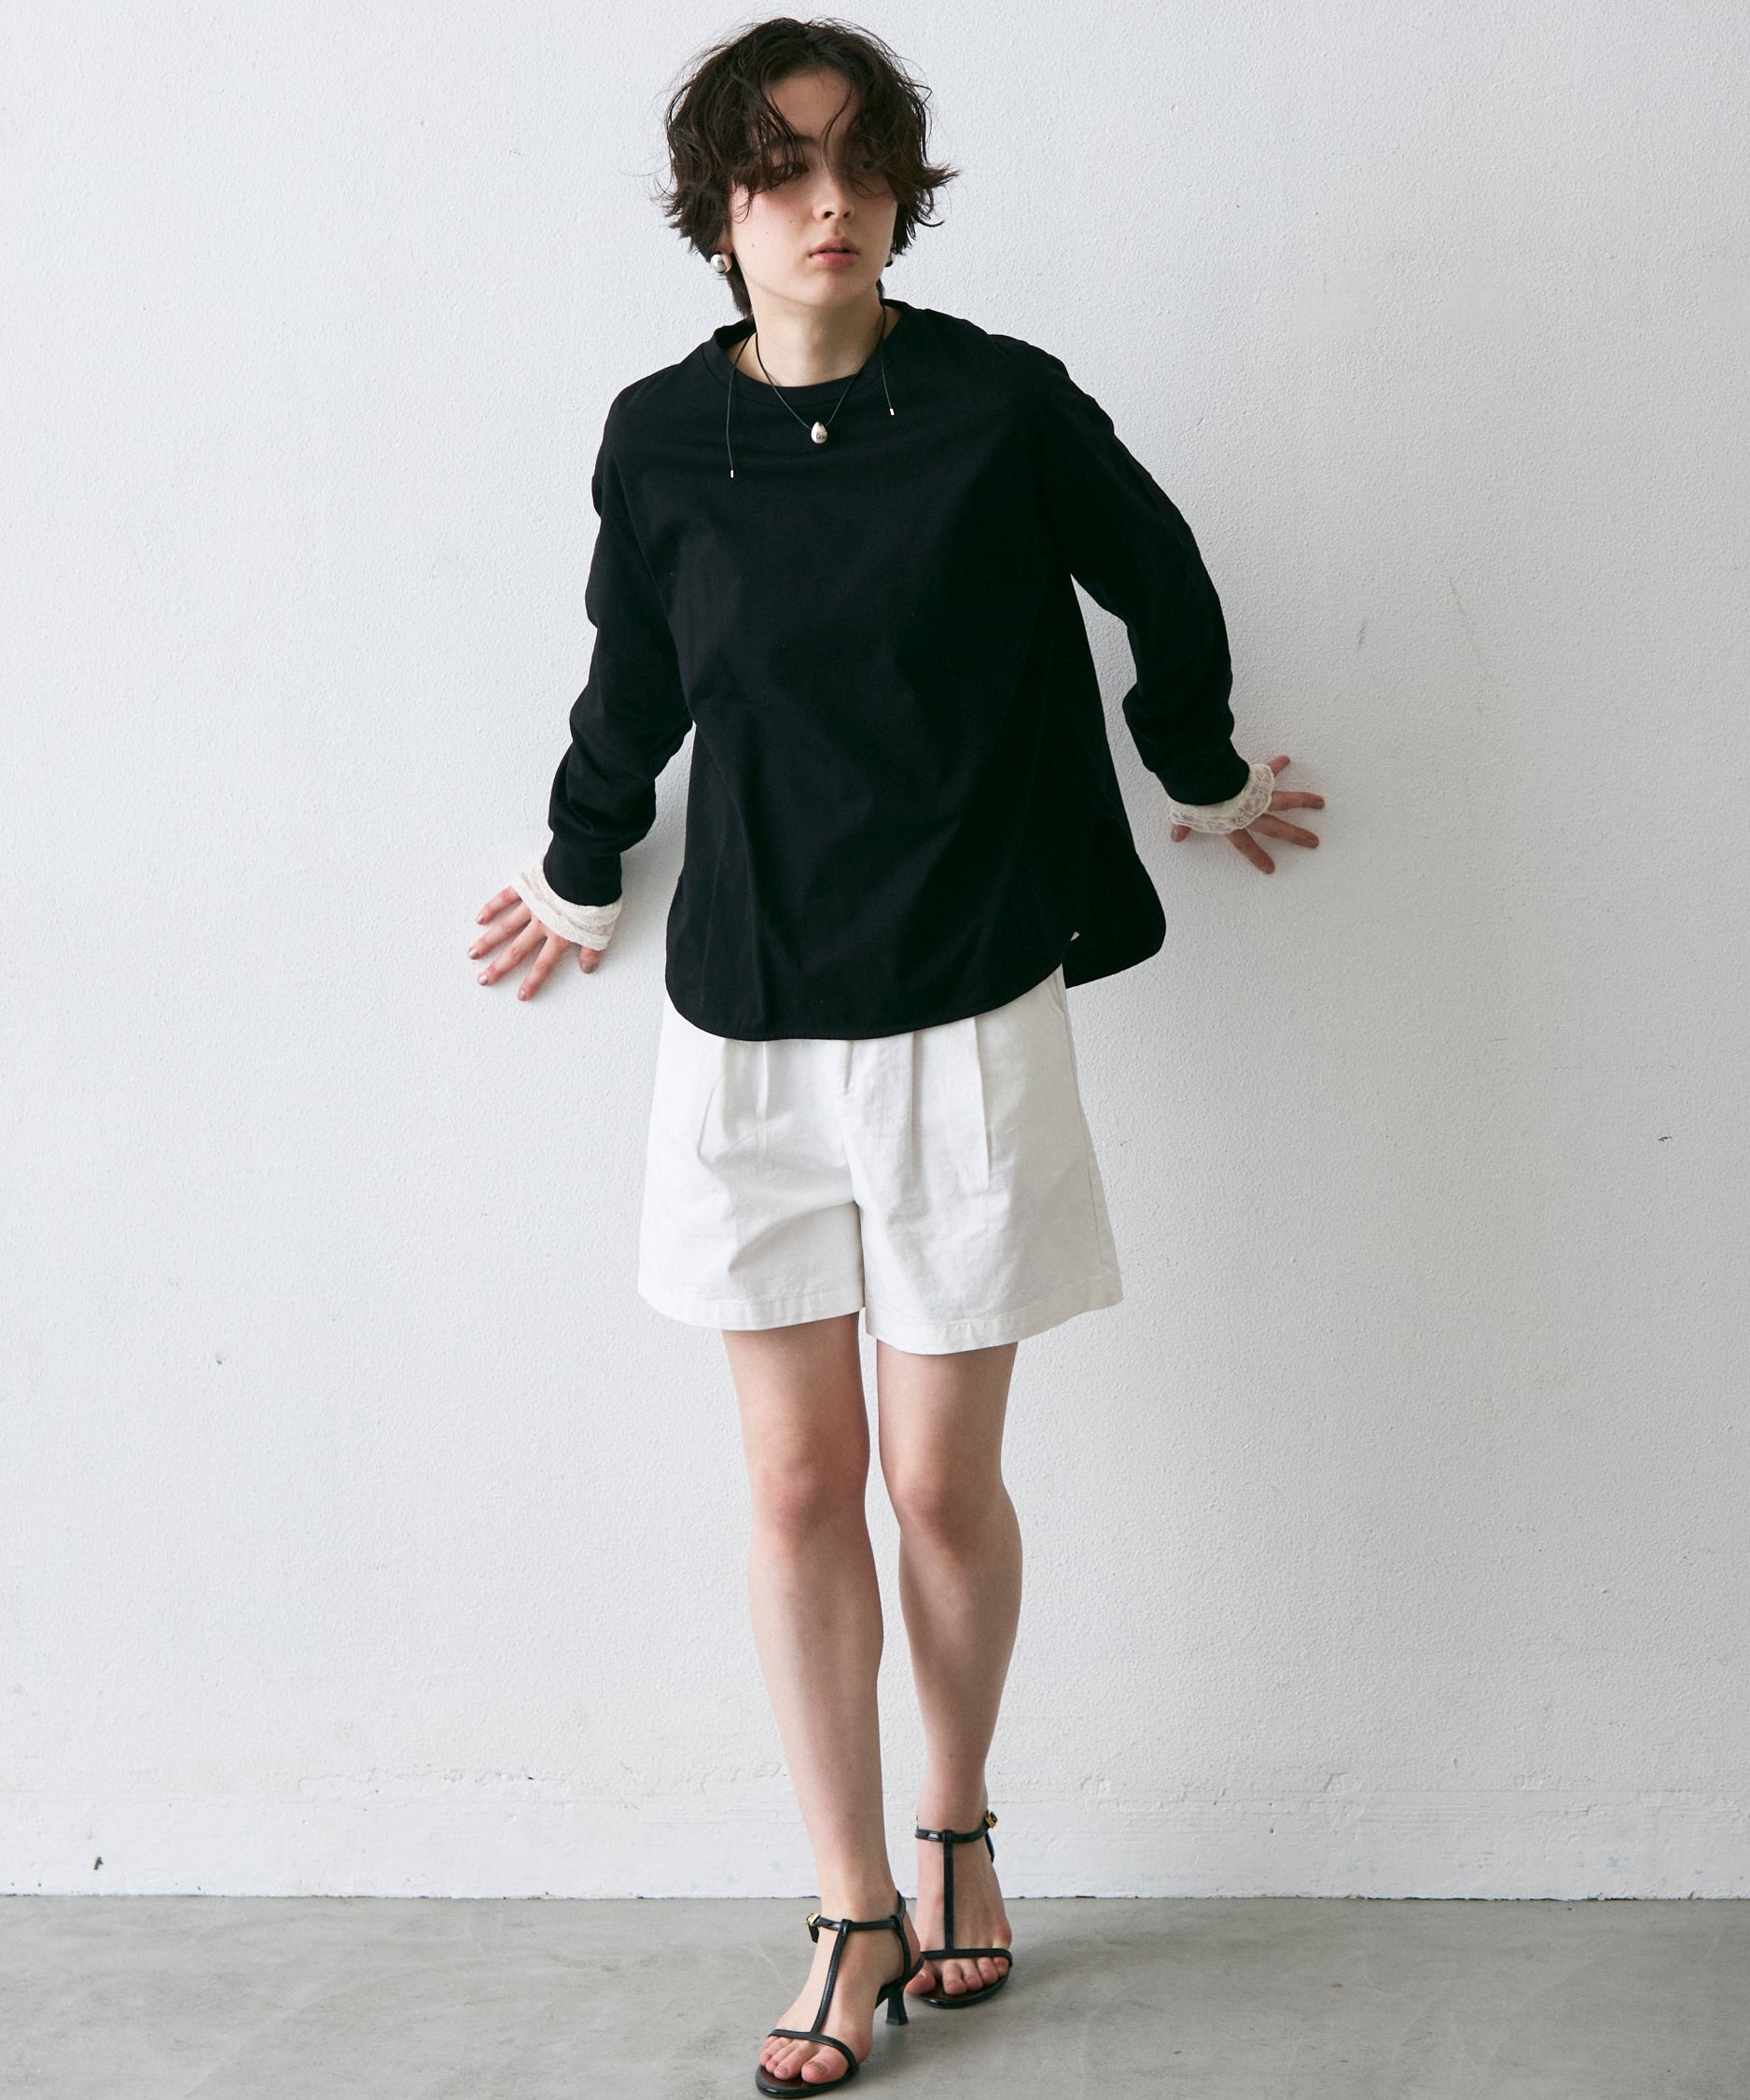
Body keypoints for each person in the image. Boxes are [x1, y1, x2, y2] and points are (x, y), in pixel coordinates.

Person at [467, 19, 1324, 2092]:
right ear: (720, 207)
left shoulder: (996, 405)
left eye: (856, 163)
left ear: (903, 189)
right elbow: (632, 683)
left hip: (965, 1001)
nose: (825, 203)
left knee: (938, 1484)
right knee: (794, 1484)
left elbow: (1161, 576)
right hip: (747, 1018)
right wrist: (576, 874)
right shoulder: (659, 437)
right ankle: (849, 1905)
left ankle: (955, 1829)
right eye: (778, 171)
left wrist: (1199, 770)